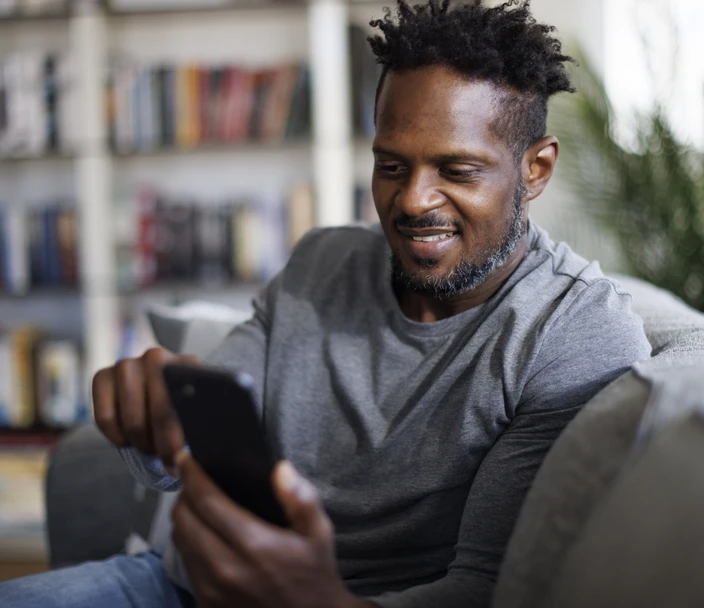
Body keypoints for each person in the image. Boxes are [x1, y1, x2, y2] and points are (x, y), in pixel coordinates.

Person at [0, 1, 651, 607]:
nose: (414, 200)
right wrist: (160, 413)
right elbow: (221, 403)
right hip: (178, 586)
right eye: (392, 166)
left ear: (535, 169)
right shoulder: (324, 261)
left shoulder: (576, 333)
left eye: (457, 171)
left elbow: (484, 591)